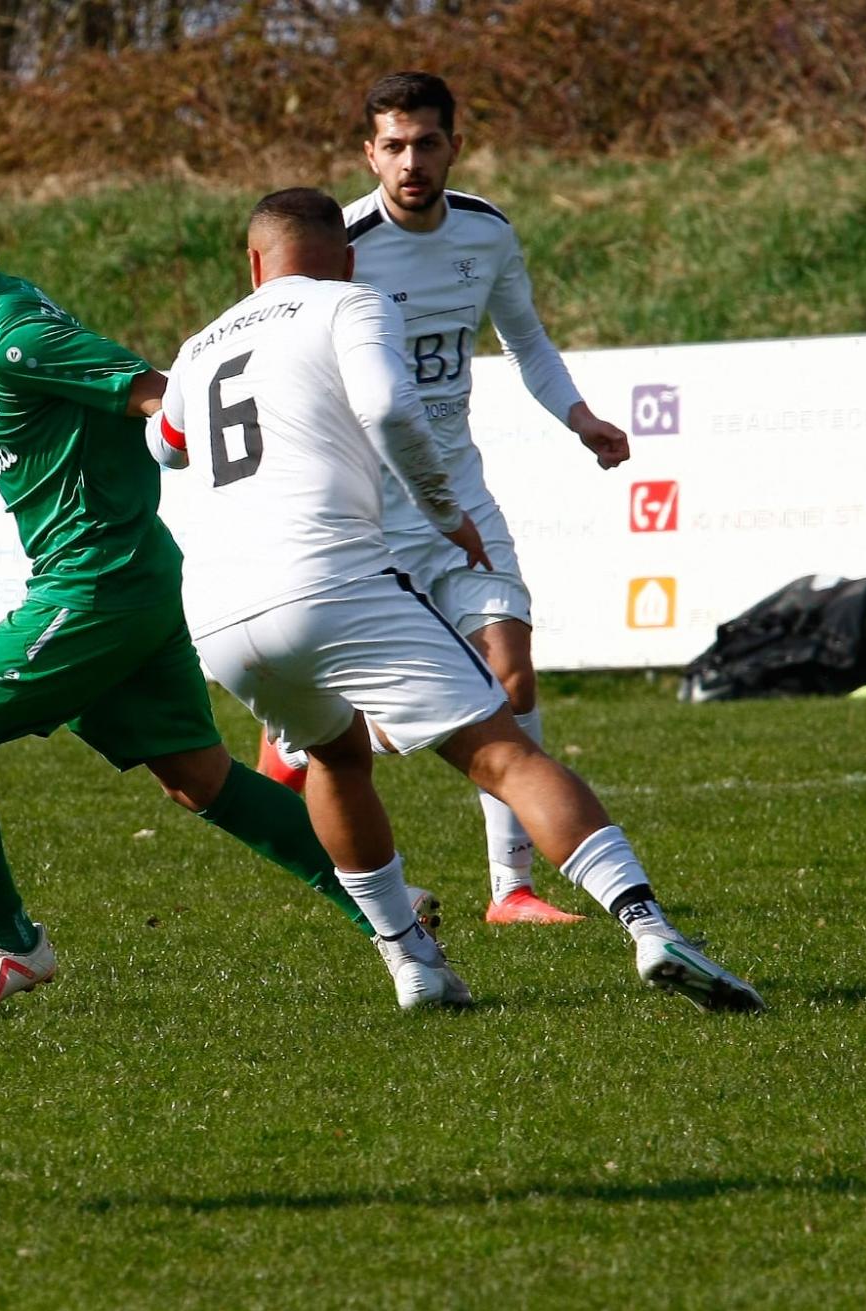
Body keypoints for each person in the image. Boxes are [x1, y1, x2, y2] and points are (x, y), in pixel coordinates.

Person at [0, 175, 443, 1018]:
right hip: (132, 578)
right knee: (199, 778)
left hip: (96, 587)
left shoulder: (15, 334)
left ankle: (9, 943)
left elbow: (159, 392)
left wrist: (262, 477)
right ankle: (390, 911)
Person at [156, 186, 762, 1012]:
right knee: (505, 753)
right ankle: (651, 928)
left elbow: (167, 446)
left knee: (335, 757)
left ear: (254, 263)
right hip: (329, 580)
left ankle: (414, 963)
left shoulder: (199, 344)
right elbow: (387, 405)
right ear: (349, 257)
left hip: (220, 613)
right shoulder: (351, 303)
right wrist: (447, 514)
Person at [257, 71, 630, 929]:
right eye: (393, 146)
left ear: (454, 146)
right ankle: (303, 749)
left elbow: (526, 341)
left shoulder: (486, 232)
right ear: (369, 154)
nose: (411, 162)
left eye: (427, 143)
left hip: (460, 493)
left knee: (512, 670)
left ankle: (512, 889)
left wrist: (580, 417)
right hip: (369, 510)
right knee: (371, 720)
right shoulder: (339, 244)